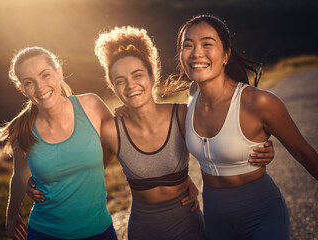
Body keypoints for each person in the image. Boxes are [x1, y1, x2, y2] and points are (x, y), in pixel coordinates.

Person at [27, 27, 275, 239]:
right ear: (113, 86)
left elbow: (216, 142)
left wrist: (255, 148)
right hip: (142, 229)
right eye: (120, 81)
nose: (131, 85)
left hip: (188, 224)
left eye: (137, 76)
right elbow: (82, 162)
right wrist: (39, 181)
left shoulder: (181, 115)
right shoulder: (112, 129)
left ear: (152, 76)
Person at [165, 14, 318, 239]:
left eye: (207, 44)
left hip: (262, 217)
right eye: (188, 45)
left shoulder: (259, 102)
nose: (196, 52)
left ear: (226, 54)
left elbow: (305, 154)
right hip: (216, 219)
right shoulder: (193, 95)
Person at [0, 47, 117, 240]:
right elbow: (19, 177)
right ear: (22, 89)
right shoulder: (22, 131)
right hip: (45, 233)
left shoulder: (91, 105)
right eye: (29, 82)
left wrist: (96, 169)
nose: (40, 87)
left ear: (58, 73)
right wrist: (11, 216)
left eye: (45, 75)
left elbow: (115, 143)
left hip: (99, 231)